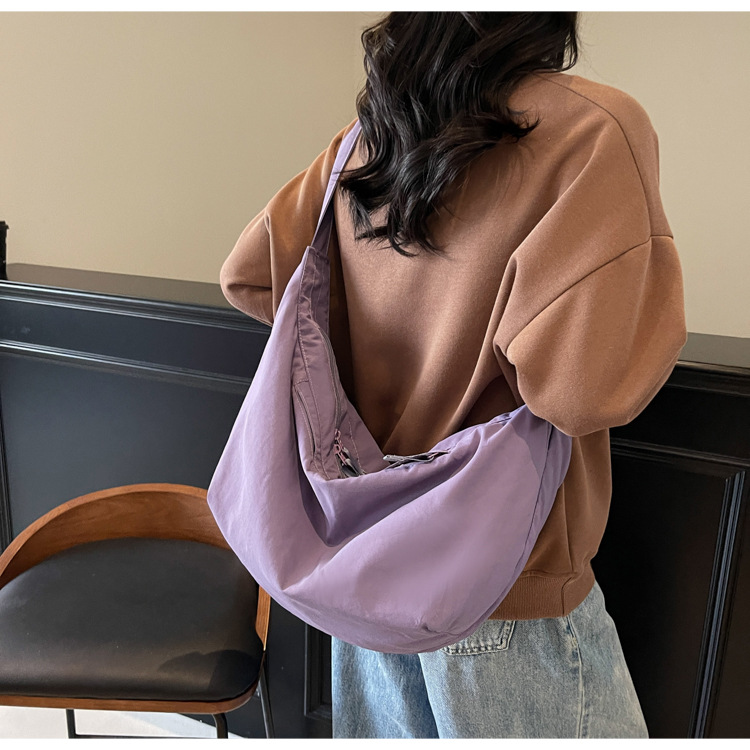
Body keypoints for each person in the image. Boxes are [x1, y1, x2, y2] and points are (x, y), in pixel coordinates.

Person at [219, 11, 687, 739]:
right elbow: (583, 392)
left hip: (366, 572)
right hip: (507, 584)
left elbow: (249, 275)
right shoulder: (594, 131)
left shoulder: (373, 135)